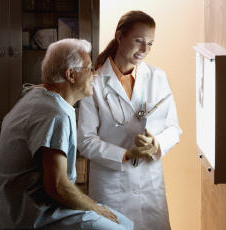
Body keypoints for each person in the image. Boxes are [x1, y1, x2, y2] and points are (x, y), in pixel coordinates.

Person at [0, 38, 134, 230]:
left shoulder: (38, 96)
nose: (94, 74)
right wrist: (94, 208)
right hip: (34, 215)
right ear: (70, 74)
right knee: (120, 227)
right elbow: (58, 187)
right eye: (88, 68)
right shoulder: (55, 113)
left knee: (125, 222)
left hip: (16, 207)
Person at [77, 11, 182, 230]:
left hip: (149, 183)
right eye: (138, 41)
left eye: (150, 43)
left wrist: (157, 144)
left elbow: (173, 128)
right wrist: (125, 155)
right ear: (119, 36)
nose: (145, 50)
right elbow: (85, 140)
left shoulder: (157, 77)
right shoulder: (94, 83)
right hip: (112, 186)